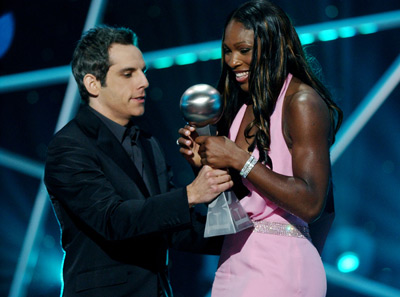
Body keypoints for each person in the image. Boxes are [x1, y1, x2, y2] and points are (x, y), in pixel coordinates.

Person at [44, 25, 233, 297]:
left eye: (142, 71)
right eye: (128, 73)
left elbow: (176, 230)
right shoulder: (69, 146)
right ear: (92, 83)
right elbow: (113, 220)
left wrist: (209, 176)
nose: (143, 81)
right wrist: (190, 194)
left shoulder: (147, 142)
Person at [177, 0, 343, 296]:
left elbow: (312, 202)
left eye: (243, 50)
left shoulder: (301, 102)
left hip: (281, 266)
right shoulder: (243, 108)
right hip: (236, 258)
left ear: (272, 47)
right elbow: (239, 204)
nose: (231, 61)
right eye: (227, 51)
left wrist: (239, 159)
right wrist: (202, 164)